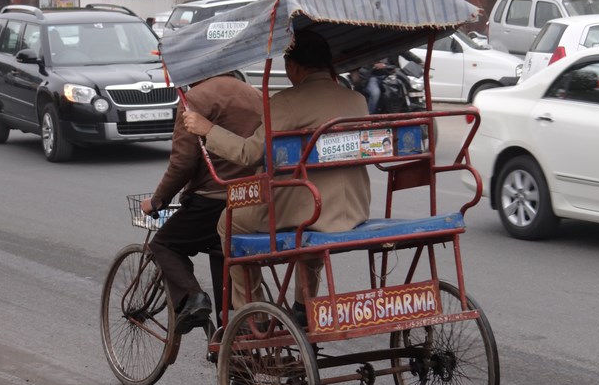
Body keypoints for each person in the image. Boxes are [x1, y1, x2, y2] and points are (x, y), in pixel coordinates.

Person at [183, 29, 371, 324]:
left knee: (228, 221)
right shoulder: (356, 99)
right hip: (353, 209)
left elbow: (248, 154)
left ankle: (251, 312)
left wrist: (208, 130)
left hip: (309, 209)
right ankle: (302, 304)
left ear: (294, 66)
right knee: (308, 225)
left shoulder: (285, 102)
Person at [140, 73, 262, 334]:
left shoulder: (194, 98)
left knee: (163, 244)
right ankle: (232, 352)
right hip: (249, 198)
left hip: (211, 199)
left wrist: (158, 200)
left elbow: (182, 163)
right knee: (223, 258)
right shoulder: (253, 93)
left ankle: (193, 298)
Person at [353, 50, 424, 114]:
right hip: (373, 76)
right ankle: (370, 116)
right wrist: (373, 65)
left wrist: (420, 62)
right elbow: (363, 62)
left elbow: (406, 53)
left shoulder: (393, 45)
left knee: (404, 89)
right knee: (375, 93)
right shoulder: (370, 46)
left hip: (391, 75)